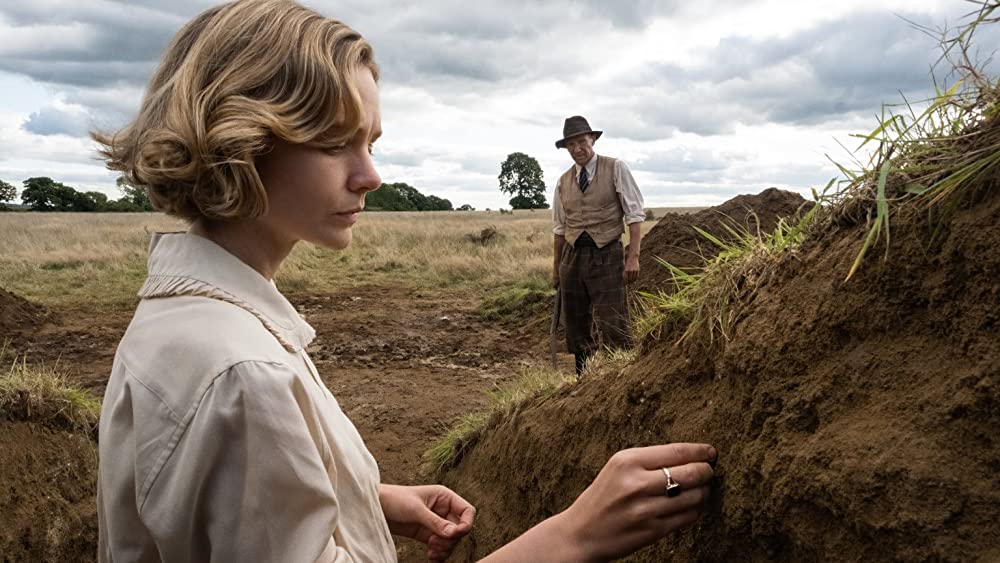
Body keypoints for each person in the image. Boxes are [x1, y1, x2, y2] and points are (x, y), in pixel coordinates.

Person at [93, 1, 716, 561]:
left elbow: (215, 504)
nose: (370, 175)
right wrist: (575, 534)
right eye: (336, 142)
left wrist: (366, 498)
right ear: (241, 139)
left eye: (371, 142)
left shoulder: (181, 318)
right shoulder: (240, 374)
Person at [552, 116, 646, 376]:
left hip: (607, 253)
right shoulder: (563, 181)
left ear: (592, 140)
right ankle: (584, 379)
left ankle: (622, 377)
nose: (577, 149)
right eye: (571, 144)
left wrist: (633, 257)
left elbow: (635, 215)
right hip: (572, 257)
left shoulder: (615, 168)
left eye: (582, 141)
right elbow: (560, 229)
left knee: (613, 319)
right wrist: (556, 269)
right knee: (576, 323)